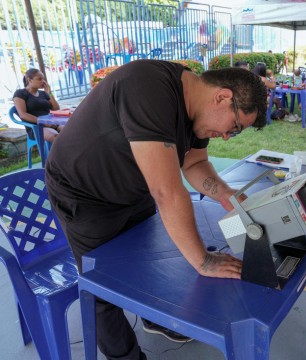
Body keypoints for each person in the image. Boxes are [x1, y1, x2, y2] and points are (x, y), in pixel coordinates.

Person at [45, 60, 267, 360]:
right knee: (102, 286)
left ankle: (154, 317)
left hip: (133, 190)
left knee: (146, 262)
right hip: (85, 194)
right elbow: (167, 192)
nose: (227, 136)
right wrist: (203, 261)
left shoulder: (198, 112)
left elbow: (195, 164)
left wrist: (226, 194)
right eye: (236, 127)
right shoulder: (147, 88)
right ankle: (126, 356)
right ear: (223, 97)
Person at [13, 68, 62, 142]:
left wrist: (49, 93)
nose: (43, 81)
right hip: (35, 126)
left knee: (70, 130)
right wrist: (43, 122)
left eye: (43, 79)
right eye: (40, 79)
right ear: (30, 80)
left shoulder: (43, 93)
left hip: (52, 122)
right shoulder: (20, 93)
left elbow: (56, 109)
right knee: (56, 137)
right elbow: (23, 114)